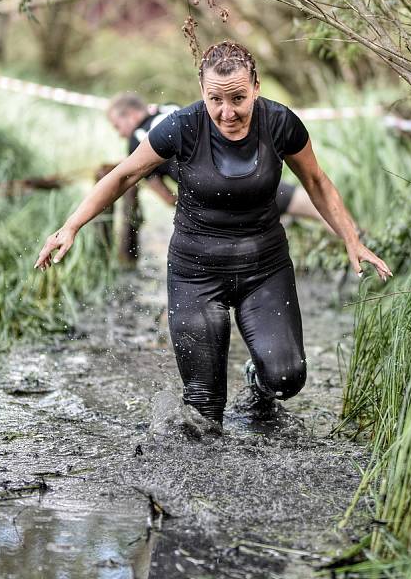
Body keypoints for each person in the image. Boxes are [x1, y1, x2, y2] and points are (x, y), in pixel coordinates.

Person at [35, 41, 391, 427]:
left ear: (256, 86)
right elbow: (123, 175)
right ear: (202, 91)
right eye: (215, 99)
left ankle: (257, 388)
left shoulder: (280, 123)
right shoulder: (181, 127)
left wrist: (351, 239)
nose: (227, 112)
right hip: (196, 273)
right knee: (205, 410)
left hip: (264, 267)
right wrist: (70, 226)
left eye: (238, 98)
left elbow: (317, 181)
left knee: (286, 377)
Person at [106, 92, 340, 230]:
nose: (118, 133)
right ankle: (366, 246)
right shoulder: (173, 110)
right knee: (324, 213)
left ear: (131, 114)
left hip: (218, 203)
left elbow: (167, 199)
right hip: (251, 173)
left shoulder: (136, 143)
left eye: (117, 126)